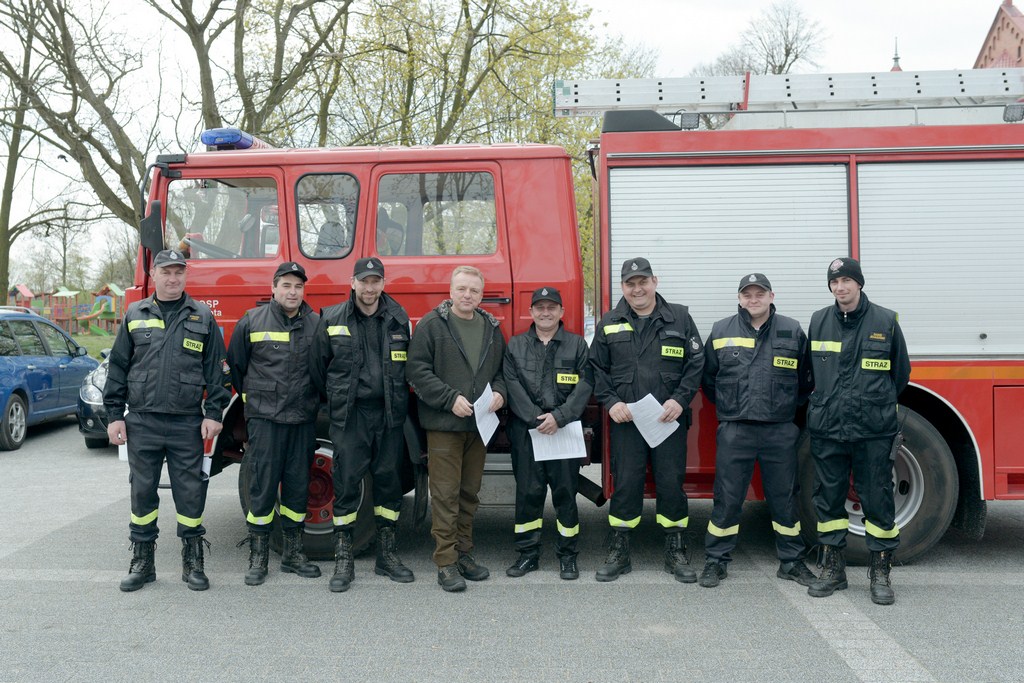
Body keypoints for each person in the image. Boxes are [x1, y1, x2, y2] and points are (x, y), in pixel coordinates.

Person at [105, 249, 231, 592]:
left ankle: (193, 562)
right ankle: (143, 562)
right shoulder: (135, 313)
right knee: (142, 492)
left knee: (190, 492)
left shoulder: (202, 316)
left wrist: (214, 414)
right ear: (154, 275)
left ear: (185, 276)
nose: (172, 278)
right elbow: (118, 367)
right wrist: (115, 416)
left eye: (179, 272)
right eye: (166, 272)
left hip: (186, 422)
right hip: (142, 420)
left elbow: (217, 371)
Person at [590, 257, 705, 583]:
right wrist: (611, 402)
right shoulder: (611, 321)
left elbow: (696, 362)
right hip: (626, 421)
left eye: (642, 282)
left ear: (655, 281)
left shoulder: (679, 317)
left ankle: (676, 549)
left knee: (670, 483)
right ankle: (619, 550)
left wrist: (680, 400)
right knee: (625, 484)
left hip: (668, 419)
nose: (637, 289)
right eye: (630, 283)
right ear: (623, 287)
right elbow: (596, 367)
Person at [698, 273, 816, 588]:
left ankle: (791, 561)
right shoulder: (721, 330)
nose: (754, 299)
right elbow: (709, 378)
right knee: (728, 497)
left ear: (771, 296)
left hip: (779, 430)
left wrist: (785, 409)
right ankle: (716, 561)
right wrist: (731, 406)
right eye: (747, 294)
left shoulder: (792, 330)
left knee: (785, 498)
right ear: (739, 298)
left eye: (759, 294)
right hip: (736, 429)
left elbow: (806, 380)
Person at [806, 257, 910, 605]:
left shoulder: (885, 320)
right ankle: (833, 570)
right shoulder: (819, 321)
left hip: (872, 430)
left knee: (877, 498)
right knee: (828, 499)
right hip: (829, 428)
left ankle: (880, 572)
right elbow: (809, 374)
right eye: (835, 282)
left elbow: (900, 374)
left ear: (859, 284)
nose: (841, 287)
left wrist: (873, 404)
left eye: (847, 281)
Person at [310, 257, 415, 593]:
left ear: (383, 284)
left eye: (376, 281)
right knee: (347, 482)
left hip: (389, 414)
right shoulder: (331, 317)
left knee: (388, 483)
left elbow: (411, 368)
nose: (370, 288)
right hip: (349, 416)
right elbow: (317, 368)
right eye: (364, 281)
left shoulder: (399, 319)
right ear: (353, 282)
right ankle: (344, 559)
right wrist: (336, 403)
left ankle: (387, 555)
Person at [407, 266, 506, 592]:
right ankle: (446, 563)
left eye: (474, 291)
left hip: (478, 426)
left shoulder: (492, 327)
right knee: (446, 496)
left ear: (481, 294)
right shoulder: (432, 326)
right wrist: (449, 399)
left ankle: (464, 554)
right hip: (445, 425)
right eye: (462, 289)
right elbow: (416, 371)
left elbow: (503, 372)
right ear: (450, 291)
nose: (467, 296)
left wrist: (500, 395)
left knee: (468, 493)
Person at [227, 261, 321, 586]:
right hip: (265, 421)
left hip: (302, 420)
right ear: (274, 288)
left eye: (298, 286)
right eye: (286, 285)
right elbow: (237, 367)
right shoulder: (252, 321)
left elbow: (322, 371)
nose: (292, 292)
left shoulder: (315, 323)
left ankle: (294, 555)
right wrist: (257, 400)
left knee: (297, 489)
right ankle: (259, 557)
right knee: (263, 489)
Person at [502, 287, 593, 581]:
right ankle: (528, 555)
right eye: (539, 307)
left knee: (566, 495)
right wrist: (535, 419)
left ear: (561, 312)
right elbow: (511, 384)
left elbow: (585, 385)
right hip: (527, 432)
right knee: (528, 494)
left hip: (563, 431)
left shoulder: (577, 345)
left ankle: (568, 557)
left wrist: (559, 417)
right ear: (531, 312)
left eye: (551, 307)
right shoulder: (515, 345)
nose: (545, 312)